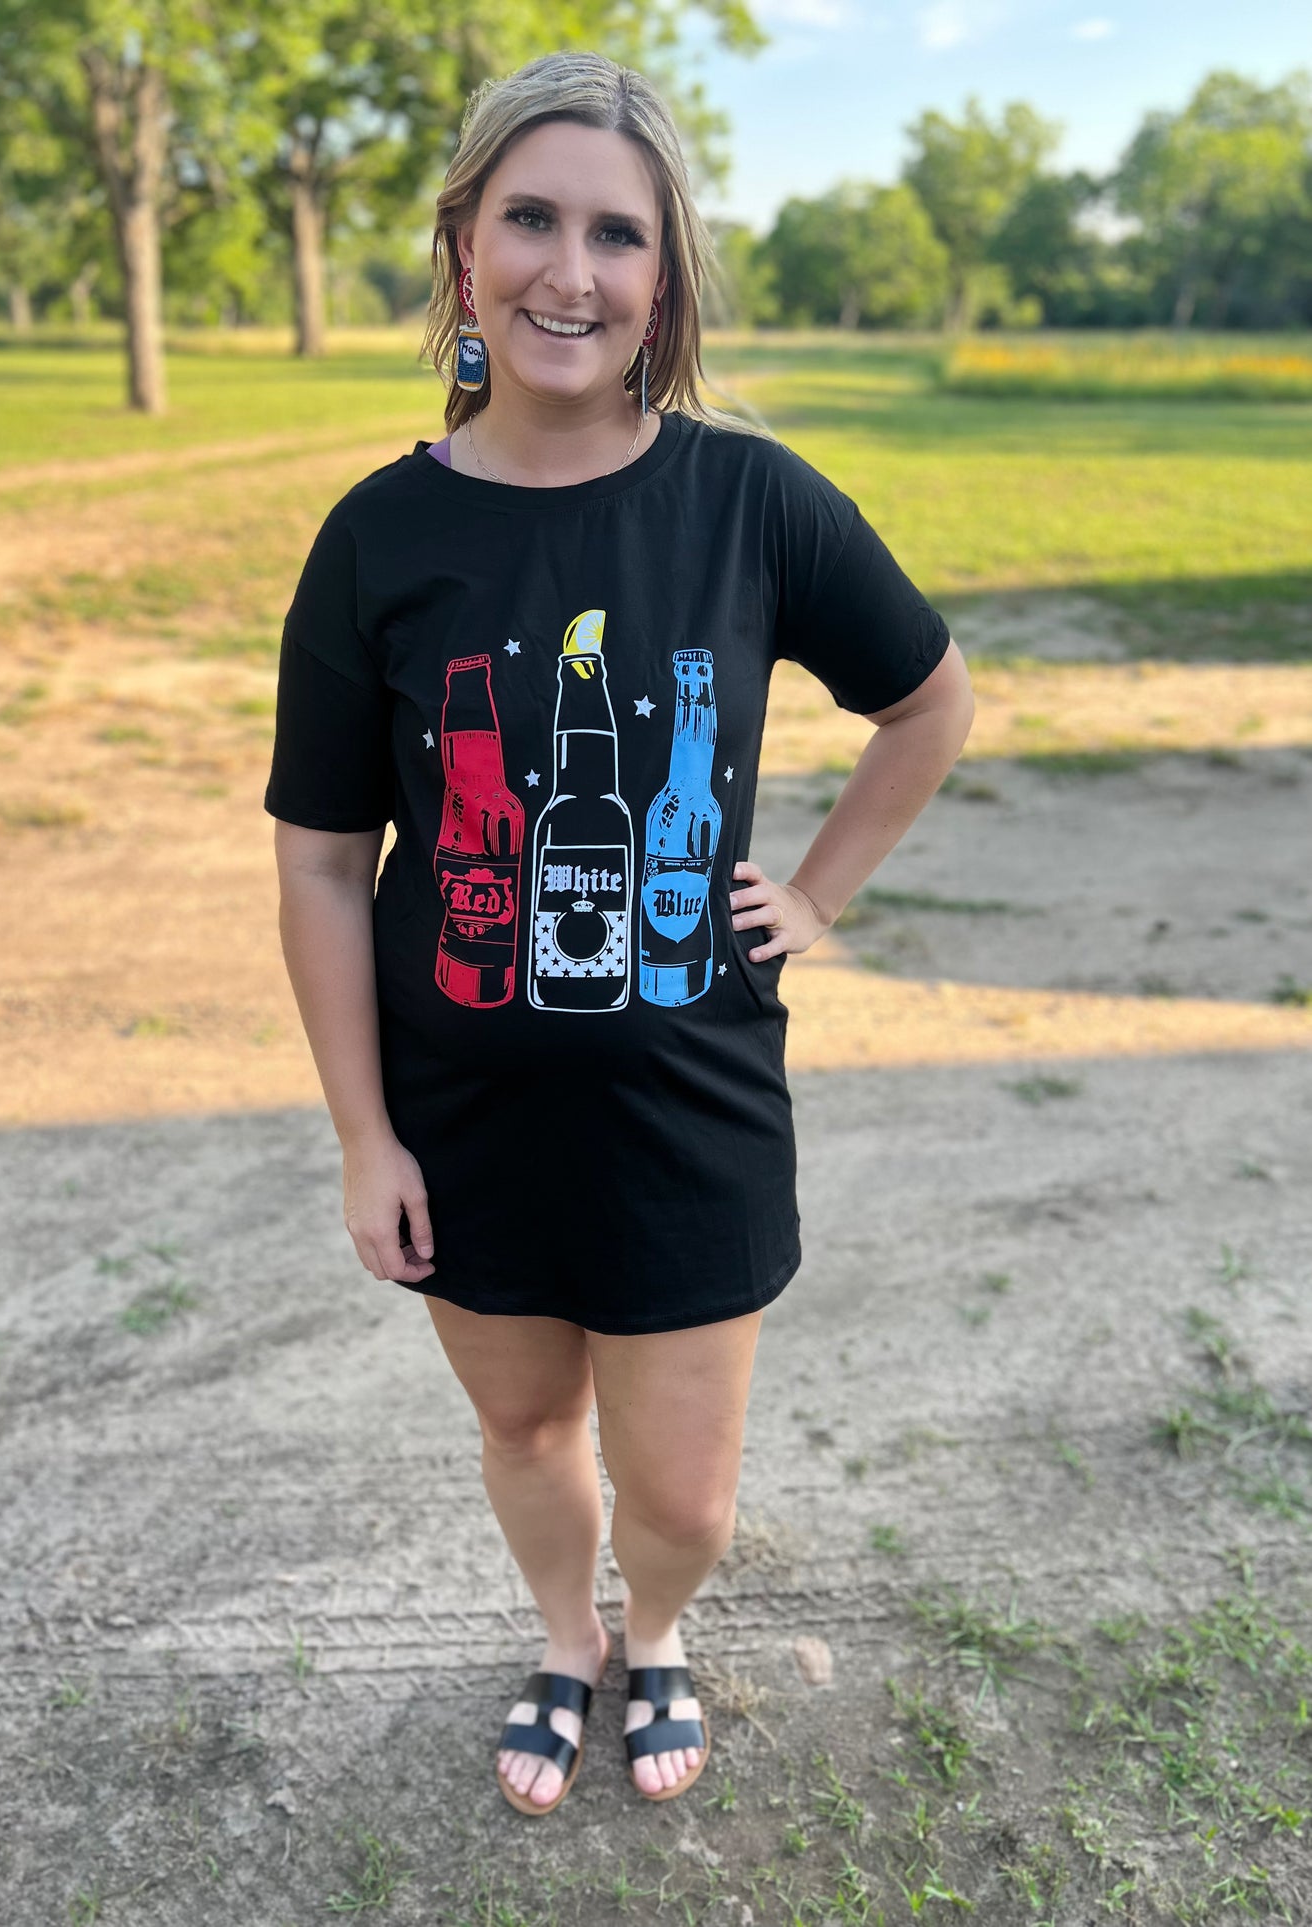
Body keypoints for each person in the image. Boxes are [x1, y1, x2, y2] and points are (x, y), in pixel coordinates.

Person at [264, 50, 975, 1818]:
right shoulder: (379, 535)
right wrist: (366, 1137)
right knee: (521, 1431)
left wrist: (809, 895)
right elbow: (317, 855)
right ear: (462, 251)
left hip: (686, 1111)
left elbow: (929, 701)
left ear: (661, 284)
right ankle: (564, 1639)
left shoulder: (750, 503)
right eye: (529, 219)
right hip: (462, 1113)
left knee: (685, 1498)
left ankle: (652, 1624)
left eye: (615, 234)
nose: (566, 271)